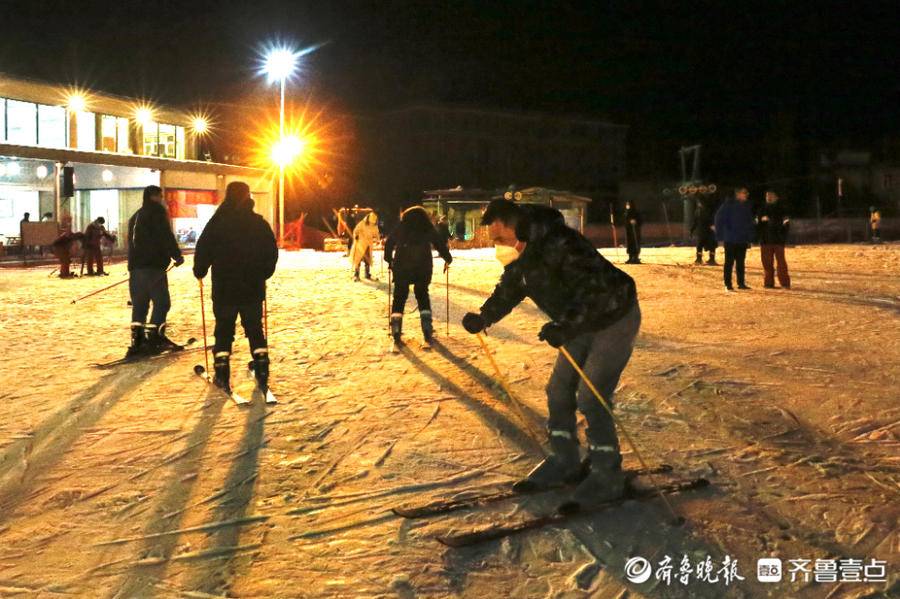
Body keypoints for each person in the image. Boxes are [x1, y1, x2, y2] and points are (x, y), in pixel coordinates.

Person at [461, 199, 639, 508]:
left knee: (590, 396)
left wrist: (566, 325)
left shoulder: (560, 243)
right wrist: (484, 316)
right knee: (558, 391)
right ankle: (565, 458)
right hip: (577, 323)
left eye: (500, 238)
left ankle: (606, 474)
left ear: (514, 224)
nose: (497, 246)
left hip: (613, 315)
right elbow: (509, 289)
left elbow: (594, 288)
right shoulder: (524, 255)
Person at [193, 181, 278, 392]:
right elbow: (271, 252)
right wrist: (263, 273)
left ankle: (222, 371)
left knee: (223, 329)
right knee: (254, 328)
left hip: (225, 289)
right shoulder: (258, 223)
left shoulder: (218, 222)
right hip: (252, 287)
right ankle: (262, 368)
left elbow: (203, 248)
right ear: (248, 196)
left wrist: (200, 270)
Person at [126, 185, 185, 357]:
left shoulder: (135, 216)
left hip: (136, 268)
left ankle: (137, 341)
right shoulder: (157, 213)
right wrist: (176, 255)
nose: (162, 199)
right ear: (154, 196)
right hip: (153, 267)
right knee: (162, 302)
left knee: (140, 304)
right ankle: (154, 338)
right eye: (160, 196)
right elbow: (165, 235)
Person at [384, 206, 452, 349]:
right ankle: (427, 330)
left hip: (402, 266)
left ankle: (396, 331)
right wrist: (448, 258)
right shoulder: (427, 227)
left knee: (399, 296)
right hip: (423, 266)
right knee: (422, 295)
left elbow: (389, 242)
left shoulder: (402, 226)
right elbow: (439, 243)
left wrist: (389, 259)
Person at [714, 187, 755, 291]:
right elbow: (718, 218)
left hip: (742, 239)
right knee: (729, 262)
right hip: (730, 239)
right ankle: (728, 284)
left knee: (741, 262)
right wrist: (721, 235)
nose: (747, 194)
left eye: (747, 193)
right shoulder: (728, 205)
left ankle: (741, 283)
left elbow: (750, 223)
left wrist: (749, 238)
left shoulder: (747, 206)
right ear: (738, 194)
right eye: (744, 193)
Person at [757, 190, 791, 289]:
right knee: (767, 263)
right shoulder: (762, 208)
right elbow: (757, 223)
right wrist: (760, 220)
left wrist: (782, 235)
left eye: (771, 195)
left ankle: (784, 283)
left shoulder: (782, 209)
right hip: (765, 240)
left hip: (778, 240)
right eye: (767, 196)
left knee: (781, 263)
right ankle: (768, 283)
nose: (769, 197)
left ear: (777, 197)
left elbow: (786, 224)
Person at [351, 211, 380, 280]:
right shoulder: (362, 223)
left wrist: (378, 239)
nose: (371, 223)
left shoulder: (374, 226)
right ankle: (356, 274)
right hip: (361, 243)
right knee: (358, 259)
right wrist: (356, 236)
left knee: (367, 259)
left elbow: (376, 233)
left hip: (368, 245)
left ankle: (367, 273)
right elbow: (355, 230)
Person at [691, 196, 718, 265]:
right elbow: (695, 221)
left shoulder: (709, 210)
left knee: (711, 245)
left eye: (699, 202)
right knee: (700, 245)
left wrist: (713, 225)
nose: (699, 204)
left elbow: (713, 218)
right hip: (702, 230)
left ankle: (711, 259)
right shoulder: (698, 211)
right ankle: (699, 259)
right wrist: (692, 229)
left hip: (708, 230)